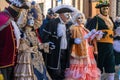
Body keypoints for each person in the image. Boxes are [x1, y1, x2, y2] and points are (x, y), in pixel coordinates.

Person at [14, 1, 51, 80]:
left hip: (37, 57)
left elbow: (37, 45)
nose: (32, 21)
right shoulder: (23, 33)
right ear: (25, 19)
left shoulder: (34, 33)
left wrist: (46, 45)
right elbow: (21, 48)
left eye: (33, 19)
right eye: (30, 18)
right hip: (27, 58)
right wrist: (31, 49)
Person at [65, 11, 101, 80]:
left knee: (88, 69)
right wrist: (89, 34)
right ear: (75, 19)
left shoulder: (83, 28)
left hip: (87, 51)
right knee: (79, 68)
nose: (80, 19)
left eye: (82, 18)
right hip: (79, 51)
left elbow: (88, 39)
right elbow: (75, 40)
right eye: (79, 18)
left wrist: (95, 34)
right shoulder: (74, 28)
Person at [42, 5, 75, 80]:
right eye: (67, 15)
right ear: (61, 15)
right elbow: (45, 36)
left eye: (69, 15)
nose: (68, 17)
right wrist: (49, 43)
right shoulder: (52, 23)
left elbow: (68, 38)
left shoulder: (67, 25)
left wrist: (74, 40)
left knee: (63, 70)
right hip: (55, 52)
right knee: (55, 71)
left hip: (65, 51)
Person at [0, 0, 30, 80]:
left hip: (12, 63)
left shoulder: (12, 20)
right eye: (20, 10)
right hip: (2, 64)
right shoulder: (2, 18)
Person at [86, 0, 116, 80]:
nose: (105, 10)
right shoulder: (96, 19)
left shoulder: (110, 19)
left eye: (106, 8)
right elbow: (89, 32)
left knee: (111, 65)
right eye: (103, 9)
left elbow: (114, 31)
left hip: (110, 46)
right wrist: (96, 33)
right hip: (100, 46)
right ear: (100, 9)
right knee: (98, 66)